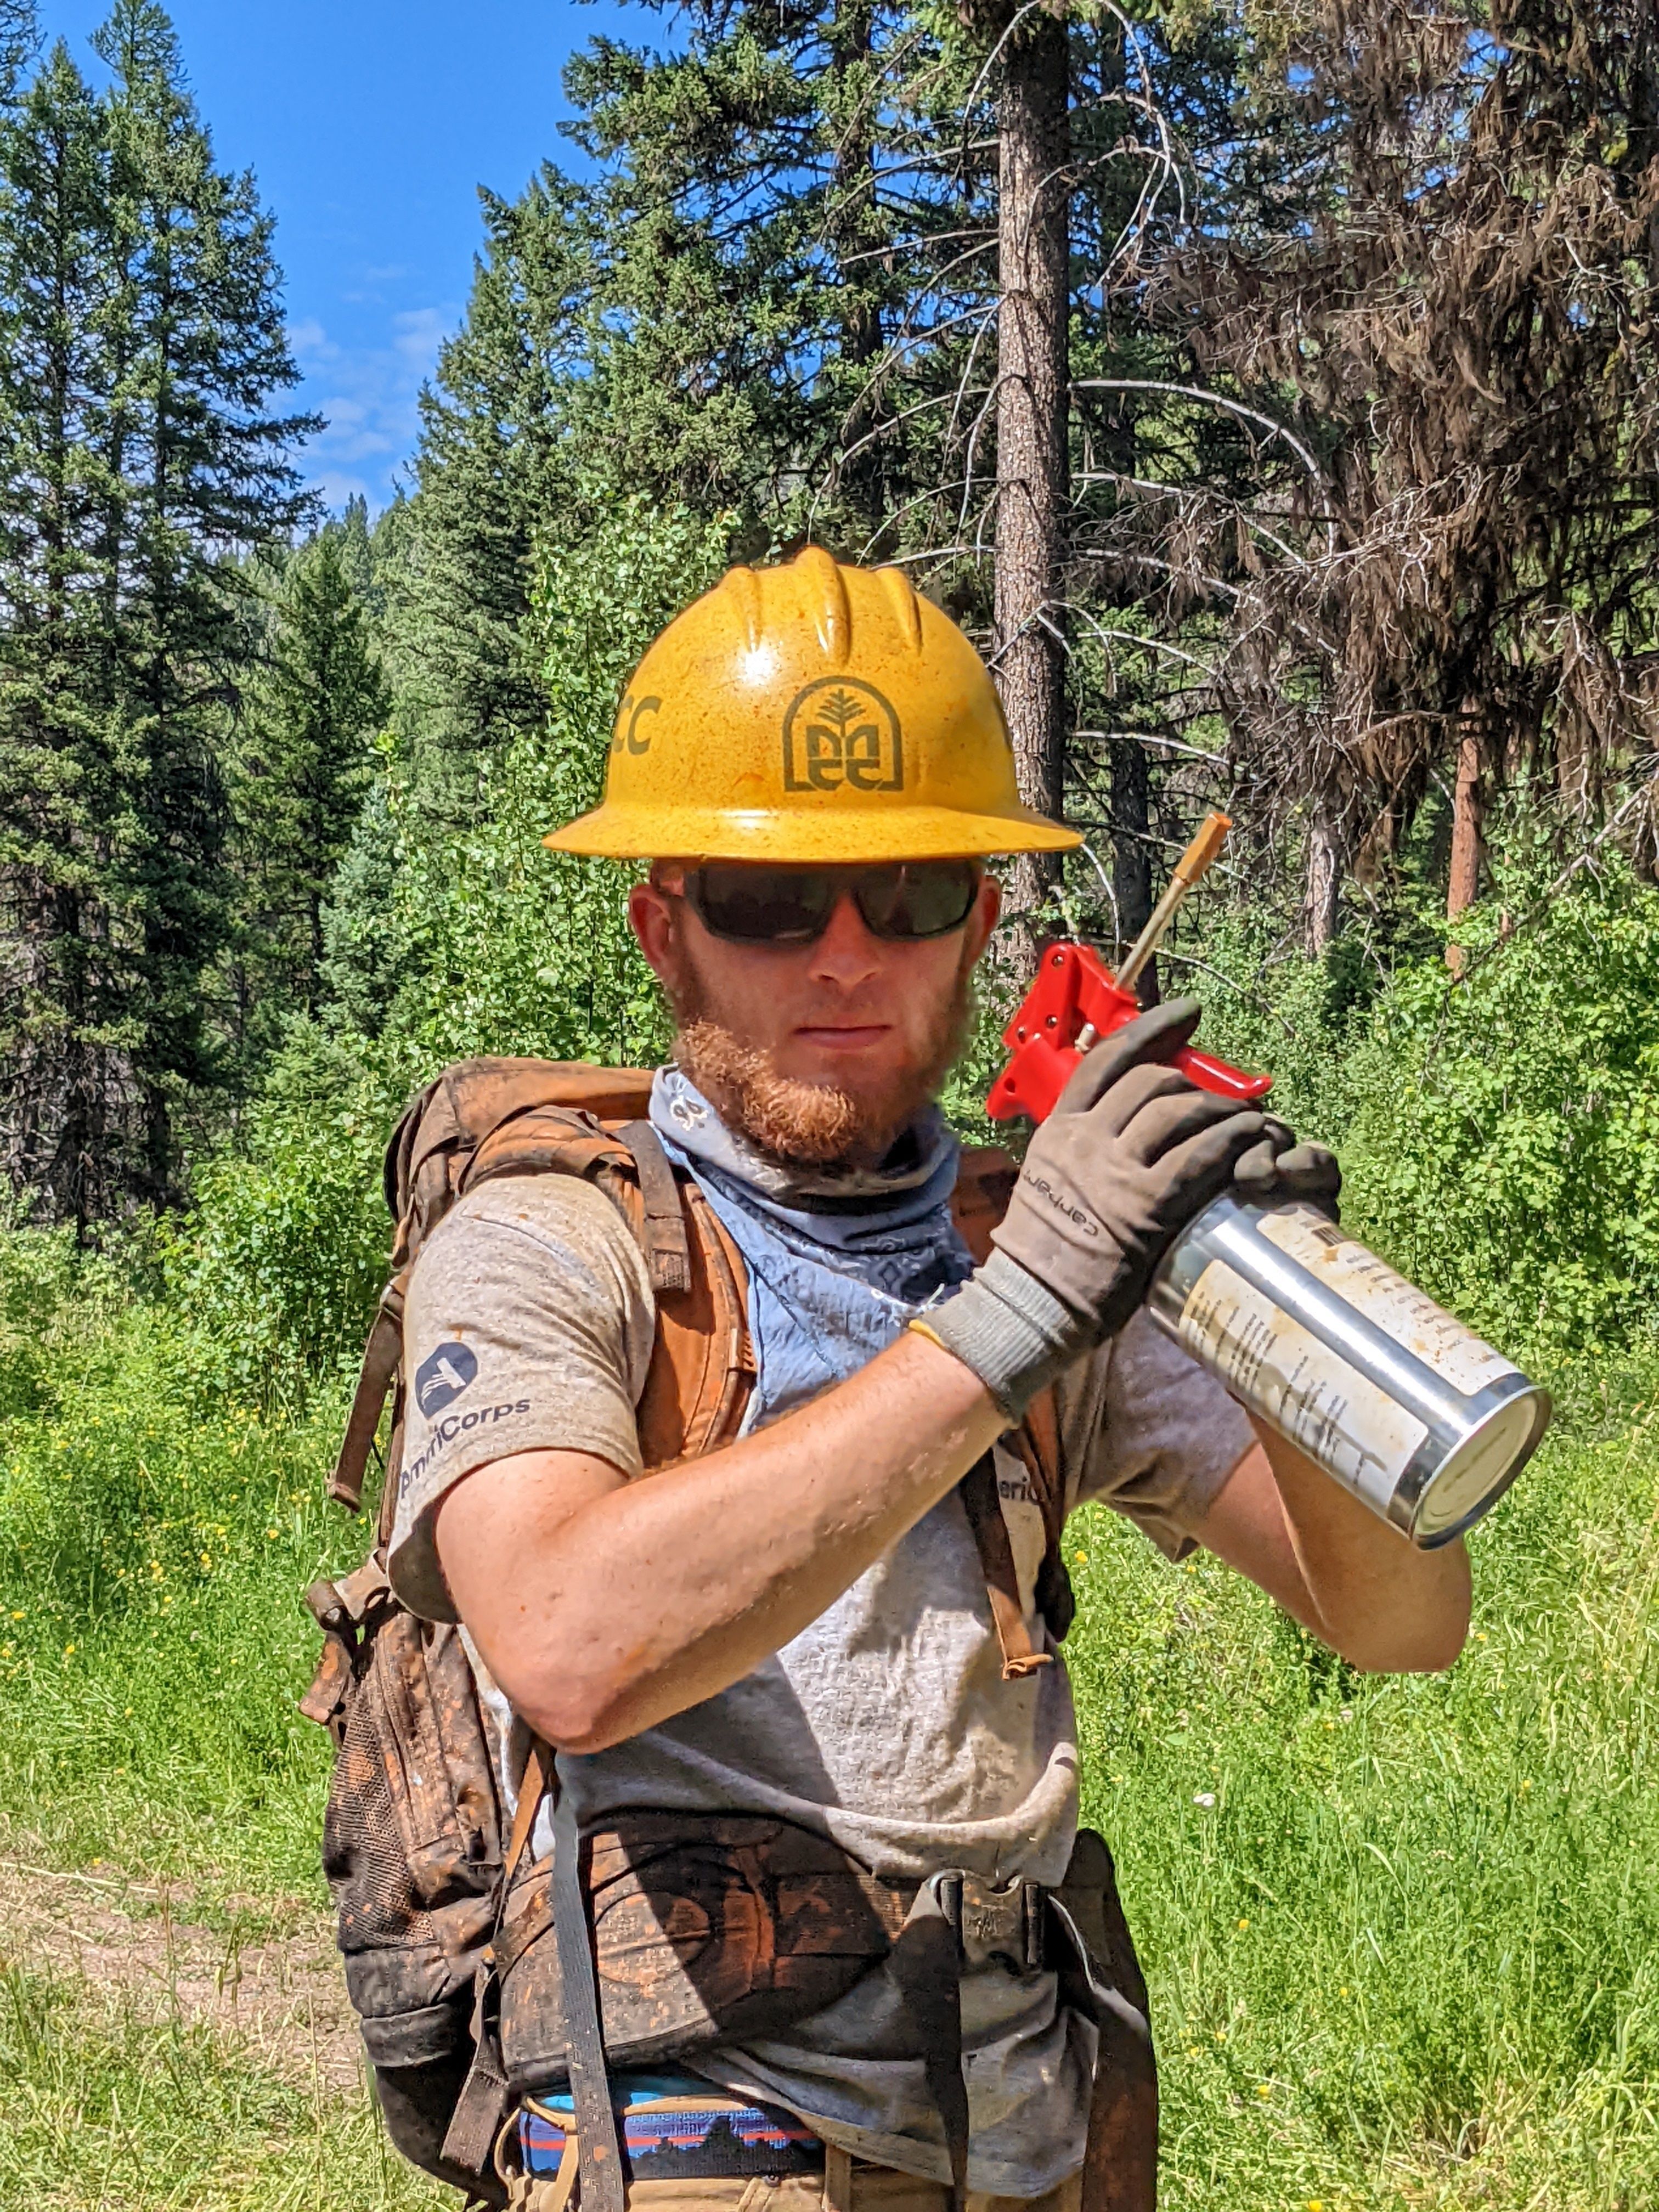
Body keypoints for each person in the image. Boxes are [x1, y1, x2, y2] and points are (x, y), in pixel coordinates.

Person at [385, 549, 1470, 2212]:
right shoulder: (556, 1243)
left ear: (978, 914)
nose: (840, 958)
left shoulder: (1049, 1252)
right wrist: (1011, 1312)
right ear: (663, 928)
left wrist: (1287, 1305)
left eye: (902, 893)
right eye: (765, 903)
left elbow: (1402, 1624)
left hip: (1025, 2128)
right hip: (694, 2130)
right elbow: (570, 1647)